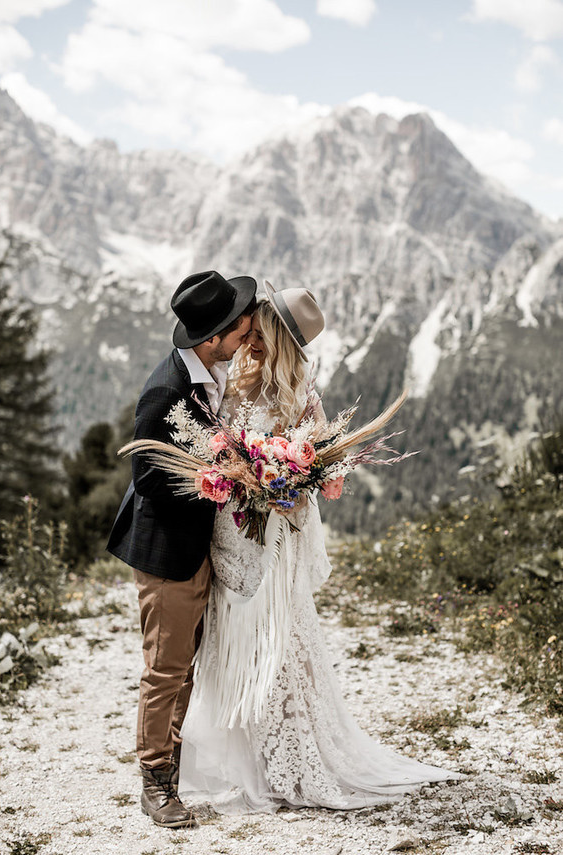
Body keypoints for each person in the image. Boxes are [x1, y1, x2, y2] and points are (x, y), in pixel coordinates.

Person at [177, 281, 460, 813]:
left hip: (270, 536)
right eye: (249, 327)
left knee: (281, 645)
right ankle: (249, 758)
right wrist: (234, 475)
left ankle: (293, 757)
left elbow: (314, 470)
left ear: (279, 336)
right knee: (232, 643)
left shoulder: (299, 394)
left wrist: (277, 483)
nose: (248, 336)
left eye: (259, 329)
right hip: (228, 533)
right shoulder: (233, 377)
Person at [107, 270, 257, 828]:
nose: (245, 336)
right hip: (168, 551)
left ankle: (170, 764)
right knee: (166, 669)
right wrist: (216, 480)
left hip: (195, 546)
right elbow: (147, 476)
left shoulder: (204, 376)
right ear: (213, 336)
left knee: (185, 666)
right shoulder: (167, 388)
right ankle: (155, 783)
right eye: (240, 329)